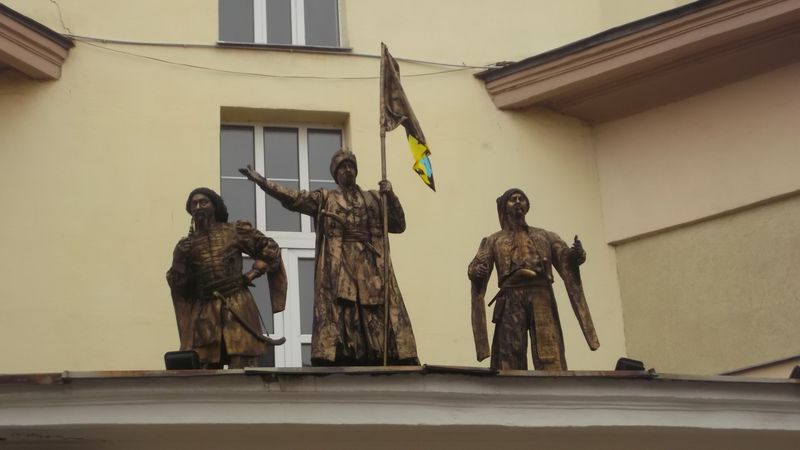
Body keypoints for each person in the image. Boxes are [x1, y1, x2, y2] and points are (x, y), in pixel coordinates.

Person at [239, 149, 418, 366]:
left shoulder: (374, 198)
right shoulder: (325, 198)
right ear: (335, 174)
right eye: (342, 167)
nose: (348, 170)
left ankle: (379, 350)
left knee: (374, 305)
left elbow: (398, 225)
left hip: (371, 265)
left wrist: (391, 196)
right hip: (341, 264)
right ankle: (348, 351)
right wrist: (263, 183)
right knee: (345, 306)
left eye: (351, 166)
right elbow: (294, 198)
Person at [468, 188, 599, 370]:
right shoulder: (494, 240)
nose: (518, 202)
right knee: (510, 353)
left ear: (528, 205)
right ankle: (510, 383)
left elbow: (567, 259)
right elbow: (477, 265)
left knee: (549, 351)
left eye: (521, 198)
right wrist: (476, 271)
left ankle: (553, 383)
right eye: (513, 199)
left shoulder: (545, 236)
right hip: (511, 298)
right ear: (505, 207)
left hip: (541, 296)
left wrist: (577, 255)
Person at [166, 187, 287, 369]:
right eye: (194, 204)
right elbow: (181, 288)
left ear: (214, 206)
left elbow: (270, 249)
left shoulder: (234, 231)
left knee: (243, 361)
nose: (198, 207)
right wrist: (178, 261)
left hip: (237, 304)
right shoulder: (186, 245)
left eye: (203, 202)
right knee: (204, 364)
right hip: (205, 312)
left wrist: (253, 273)